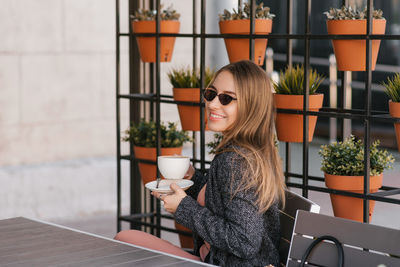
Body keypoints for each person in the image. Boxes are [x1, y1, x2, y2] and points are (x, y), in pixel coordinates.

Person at [114, 60, 286, 267]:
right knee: (127, 238)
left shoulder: (237, 160)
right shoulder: (245, 152)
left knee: (125, 240)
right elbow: (226, 202)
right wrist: (192, 178)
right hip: (216, 258)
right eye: (211, 94)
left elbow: (245, 241)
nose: (213, 104)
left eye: (226, 99)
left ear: (251, 106)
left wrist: (183, 207)